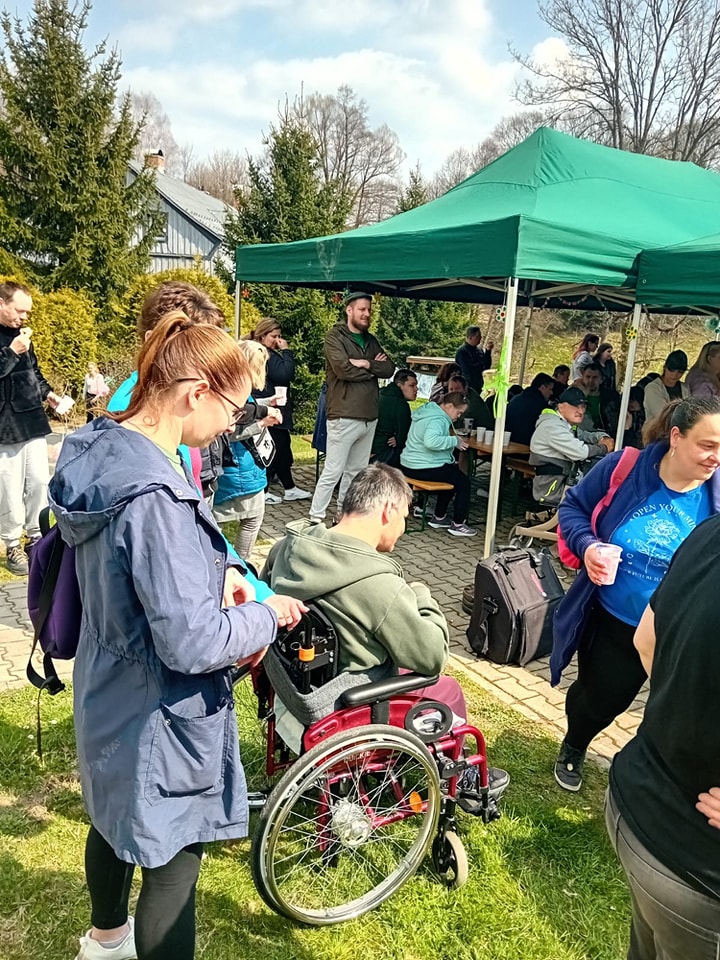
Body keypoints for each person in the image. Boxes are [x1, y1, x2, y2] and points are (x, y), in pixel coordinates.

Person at [49, 312, 306, 960]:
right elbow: (192, 643)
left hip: (108, 681)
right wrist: (267, 616)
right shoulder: (156, 496)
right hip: (160, 710)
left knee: (112, 821)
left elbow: (144, 578)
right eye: (233, 410)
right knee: (174, 858)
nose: (231, 426)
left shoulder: (103, 446)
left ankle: (105, 942)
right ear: (195, 393)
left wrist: (221, 573)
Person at [262, 462, 509, 800]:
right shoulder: (379, 586)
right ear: (388, 510)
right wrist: (421, 595)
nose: (403, 528)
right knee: (447, 688)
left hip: (292, 689)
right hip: (344, 708)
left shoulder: (287, 548)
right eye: (404, 517)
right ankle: (457, 775)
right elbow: (433, 656)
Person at [552, 397, 720, 792]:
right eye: (707, 445)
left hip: (681, 631)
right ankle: (575, 743)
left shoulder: (716, 498)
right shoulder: (625, 468)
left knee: (680, 711)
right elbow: (573, 508)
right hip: (615, 620)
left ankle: (660, 782)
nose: (716, 457)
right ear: (676, 437)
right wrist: (588, 547)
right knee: (602, 699)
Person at [107, 280, 276, 601]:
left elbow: (197, 520)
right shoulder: (139, 422)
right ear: (155, 341)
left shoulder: (174, 416)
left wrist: (237, 574)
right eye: (195, 349)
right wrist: (259, 609)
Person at [608, 513, 720, 960]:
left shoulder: (709, 530)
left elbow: (646, 640)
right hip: (697, 867)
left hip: (639, 800)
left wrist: (681, 710)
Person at [309, 291, 394, 523]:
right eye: (362, 309)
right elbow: (342, 370)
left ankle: (343, 516)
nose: (367, 314)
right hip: (343, 414)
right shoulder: (334, 337)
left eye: (369, 310)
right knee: (333, 471)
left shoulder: (371, 340)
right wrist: (373, 370)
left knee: (355, 473)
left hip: (369, 416)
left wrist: (366, 363)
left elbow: (389, 369)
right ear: (349, 310)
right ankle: (315, 518)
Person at [0, 280, 61, 576]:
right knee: (9, 486)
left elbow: (33, 371)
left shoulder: (23, 337)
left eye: (27, 312)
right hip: (4, 424)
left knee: (38, 481)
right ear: (2, 303)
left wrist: (49, 394)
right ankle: (12, 543)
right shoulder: (13, 343)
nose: (24, 317)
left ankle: (36, 537)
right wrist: (11, 352)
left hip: (32, 419)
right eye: (19, 311)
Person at [213, 341, 277, 560]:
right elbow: (227, 432)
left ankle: (223, 561)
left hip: (241, 468)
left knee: (220, 523)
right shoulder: (236, 390)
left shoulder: (229, 387)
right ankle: (241, 562)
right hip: (239, 469)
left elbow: (248, 408)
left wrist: (267, 402)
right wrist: (262, 423)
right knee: (249, 519)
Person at [249, 316, 310, 502]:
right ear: (262, 336)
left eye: (279, 336)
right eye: (274, 336)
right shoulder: (264, 354)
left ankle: (289, 488)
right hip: (268, 406)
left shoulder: (264, 352)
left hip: (274, 405)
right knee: (274, 447)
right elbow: (285, 375)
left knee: (283, 448)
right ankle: (264, 490)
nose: (278, 340)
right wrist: (287, 351)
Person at [401, 391, 477, 537]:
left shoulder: (427, 412)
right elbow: (431, 442)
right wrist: (454, 441)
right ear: (449, 406)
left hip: (409, 464)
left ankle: (439, 517)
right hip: (423, 466)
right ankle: (458, 524)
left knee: (452, 475)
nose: (459, 416)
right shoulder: (438, 419)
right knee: (463, 483)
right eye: (459, 412)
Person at [529, 387, 614, 506]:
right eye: (575, 406)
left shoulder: (564, 424)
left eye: (583, 406)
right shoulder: (552, 426)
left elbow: (585, 435)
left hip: (566, 480)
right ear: (561, 407)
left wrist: (602, 437)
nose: (581, 411)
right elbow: (580, 452)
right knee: (602, 496)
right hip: (553, 487)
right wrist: (604, 447)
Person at [371, 368, 418, 467]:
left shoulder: (380, 393)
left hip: (368, 443)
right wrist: (399, 438)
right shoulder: (400, 404)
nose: (416, 389)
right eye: (412, 385)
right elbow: (404, 433)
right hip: (384, 450)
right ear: (399, 385)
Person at [505, 373, 555, 446]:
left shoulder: (516, 399)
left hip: (508, 441)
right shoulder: (541, 406)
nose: (551, 393)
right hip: (527, 445)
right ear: (542, 387)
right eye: (550, 389)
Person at [642, 350, 689, 421]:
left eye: (680, 372)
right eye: (671, 370)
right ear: (665, 367)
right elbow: (662, 415)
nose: (675, 375)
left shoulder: (685, 389)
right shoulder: (652, 388)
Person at [574, 362, 620, 432]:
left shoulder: (611, 397)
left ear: (601, 380)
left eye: (595, 377)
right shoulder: (574, 396)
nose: (591, 381)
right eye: (588, 377)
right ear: (583, 378)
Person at [455, 325, 494, 393]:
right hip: (466, 387)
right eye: (478, 336)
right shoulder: (462, 352)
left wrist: (488, 352)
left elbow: (486, 366)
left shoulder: (479, 350)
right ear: (470, 337)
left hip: (478, 386)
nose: (480, 338)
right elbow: (468, 370)